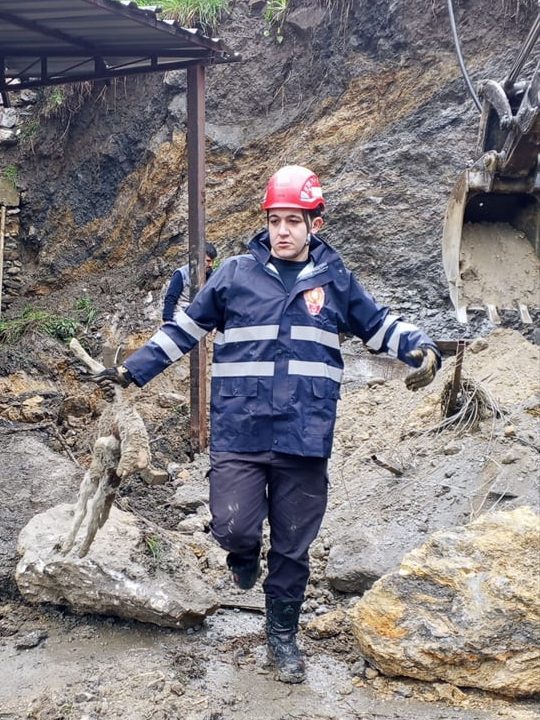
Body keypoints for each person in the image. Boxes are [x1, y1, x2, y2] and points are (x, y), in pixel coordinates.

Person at [96, 166, 440, 684]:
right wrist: (132, 370)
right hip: (241, 428)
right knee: (233, 522)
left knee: (294, 545)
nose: (282, 230)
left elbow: (378, 323)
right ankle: (242, 552)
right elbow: (185, 329)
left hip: (305, 432)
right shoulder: (235, 274)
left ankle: (282, 638)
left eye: (293, 221)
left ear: (314, 224)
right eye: (275, 220)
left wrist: (418, 347)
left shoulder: (334, 278)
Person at [162, 243, 217, 321]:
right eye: (208, 261)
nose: (211, 264)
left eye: (212, 261)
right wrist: (168, 321)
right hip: (180, 319)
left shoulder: (212, 276)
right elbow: (170, 299)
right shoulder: (181, 274)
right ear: (198, 258)